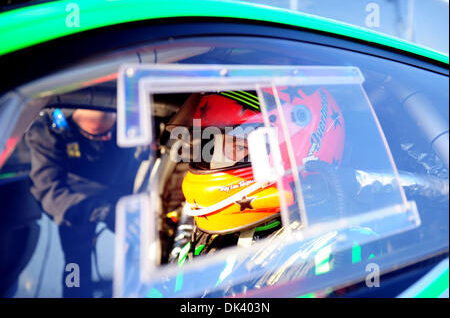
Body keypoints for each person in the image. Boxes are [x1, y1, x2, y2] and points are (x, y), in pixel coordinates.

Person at [160, 88, 382, 296]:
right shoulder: (204, 232)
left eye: (239, 147)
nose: (214, 161)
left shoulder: (338, 252)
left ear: (293, 153)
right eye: (211, 145)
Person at [26, 108, 140, 298]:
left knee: (141, 246)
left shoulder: (126, 119)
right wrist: (98, 211)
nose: (106, 138)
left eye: (109, 133)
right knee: (76, 262)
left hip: (122, 191)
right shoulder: (46, 132)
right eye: (97, 135)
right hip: (75, 202)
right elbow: (47, 190)